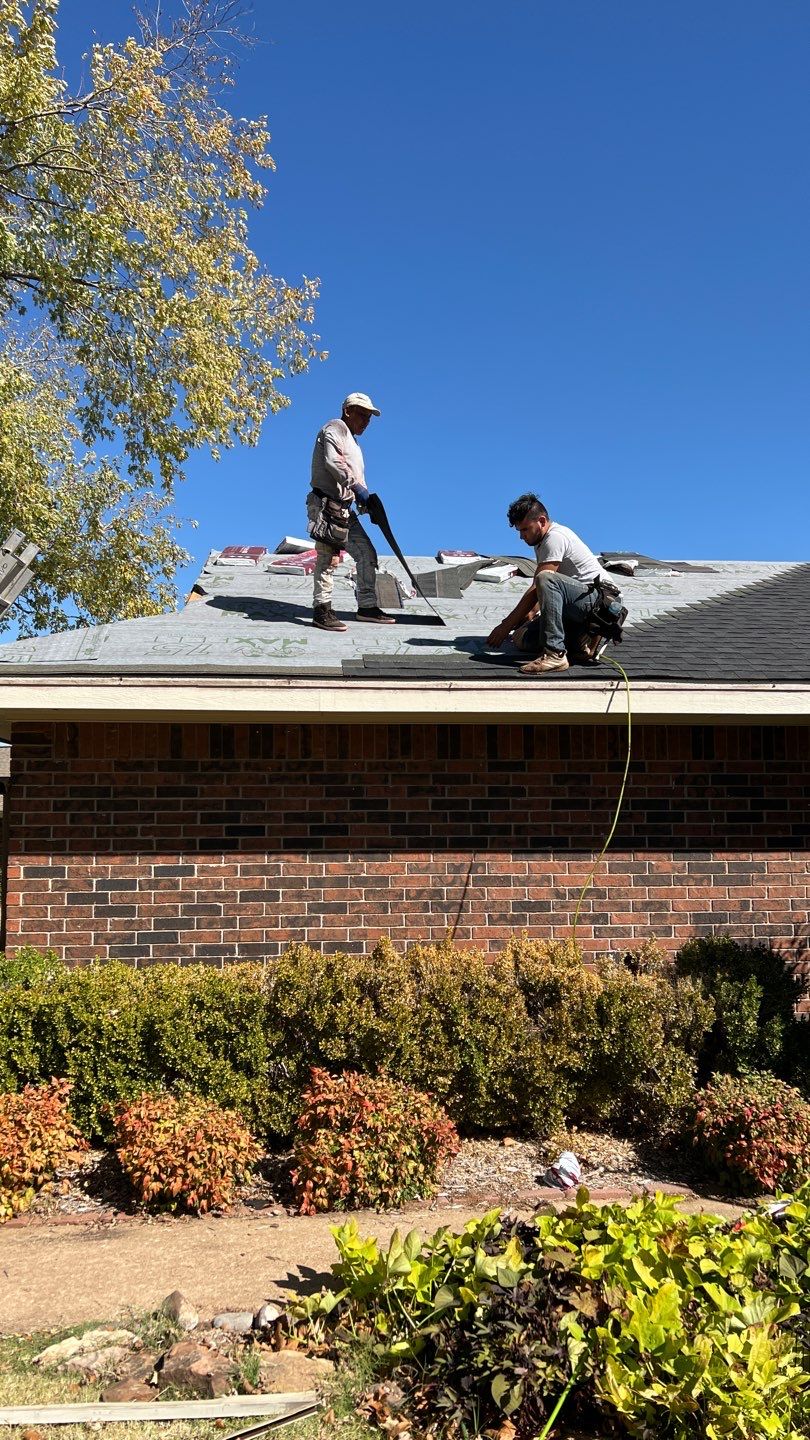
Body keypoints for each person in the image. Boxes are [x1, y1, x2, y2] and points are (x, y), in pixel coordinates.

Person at [486, 493, 623, 675]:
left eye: (525, 529)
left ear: (542, 521)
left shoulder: (555, 537)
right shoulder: (540, 542)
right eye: (519, 531)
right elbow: (545, 592)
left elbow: (539, 586)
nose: (521, 536)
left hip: (600, 604)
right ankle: (579, 644)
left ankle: (555, 654)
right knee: (521, 638)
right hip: (576, 607)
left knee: (544, 578)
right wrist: (527, 616)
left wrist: (505, 625)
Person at [306, 392, 395, 632]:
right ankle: (321, 610)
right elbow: (333, 463)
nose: (366, 422)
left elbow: (356, 479)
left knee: (367, 553)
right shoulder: (335, 428)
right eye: (363, 415)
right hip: (326, 505)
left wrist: (366, 505)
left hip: (345, 509)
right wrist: (357, 488)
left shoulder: (355, 442)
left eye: (369, 418)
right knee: (327, 558)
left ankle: (367, 607)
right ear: (347, 411)